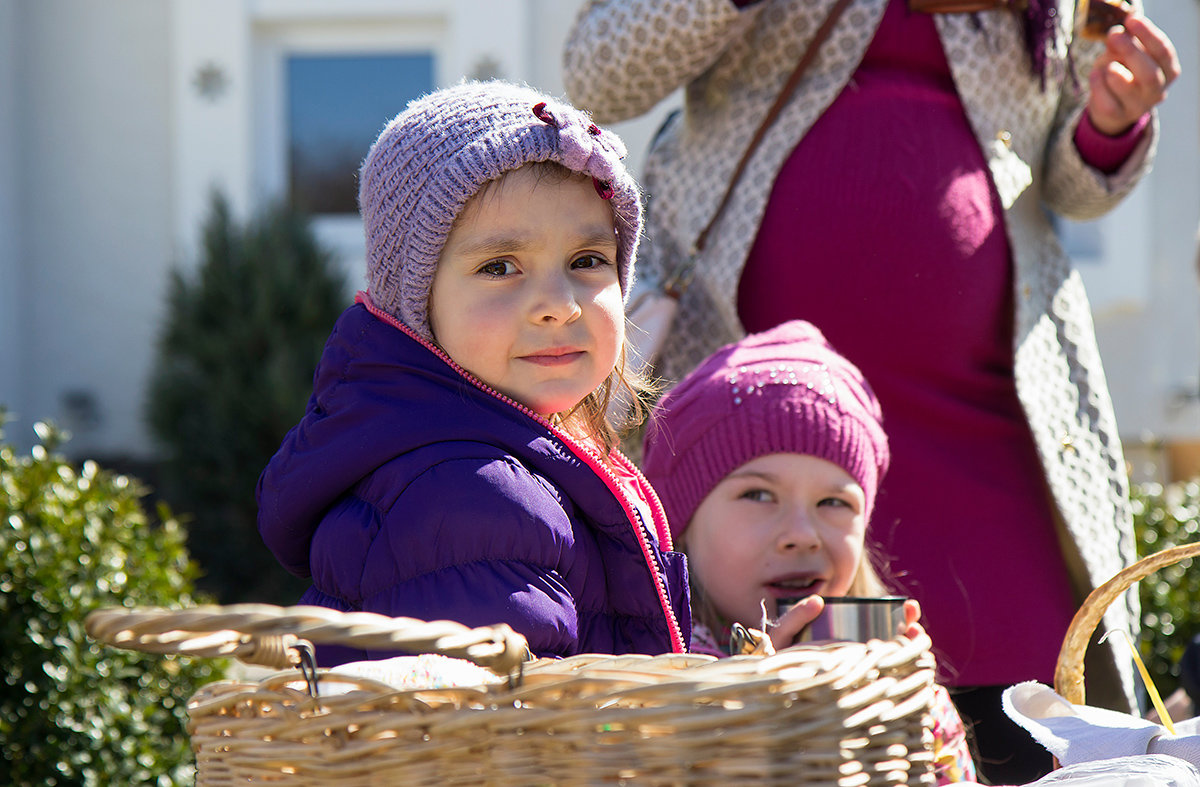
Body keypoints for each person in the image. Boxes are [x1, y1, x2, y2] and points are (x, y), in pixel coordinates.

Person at [564, 2, 1179, 783]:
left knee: (1031, 708)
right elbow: (599, 71)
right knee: (761, 708)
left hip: (990, 419)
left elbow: (1060, 171)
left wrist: (1108, 125)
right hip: (759, 421)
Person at [256, 80, 690, 666]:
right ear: (418, 300)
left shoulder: (521, 460)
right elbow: (509, 742)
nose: (559, 305)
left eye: (587, 261)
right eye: (501, 266)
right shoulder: (472, 495)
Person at [642, 320, 978, 784]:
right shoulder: (640, 674)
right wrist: (750, 698)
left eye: (833, 503)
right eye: (758, 495)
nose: (802, 534)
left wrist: (903, 701)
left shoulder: (895, 683)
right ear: (682, 525)